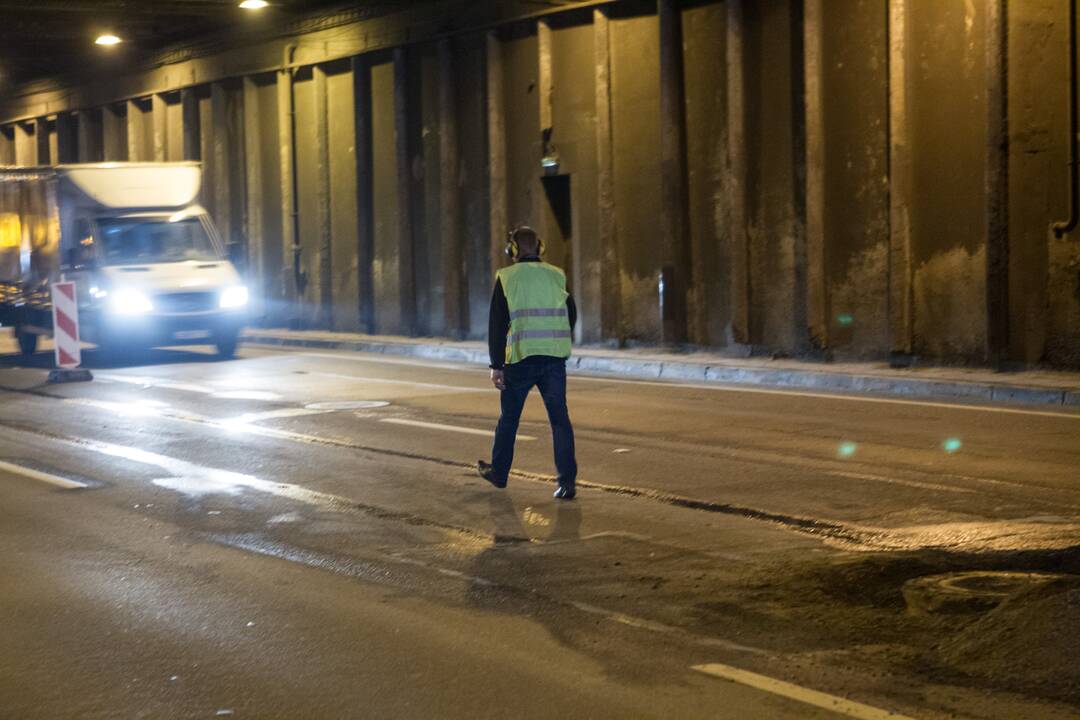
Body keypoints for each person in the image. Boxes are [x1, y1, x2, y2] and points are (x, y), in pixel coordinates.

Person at [478, 225, 578, 500]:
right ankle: (567, 483)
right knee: (560, 421)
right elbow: (571, 314)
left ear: (513, 250)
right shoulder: (556, 275)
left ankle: (499, 473)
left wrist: (496, 365)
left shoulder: (507, 277)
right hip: (554, 360)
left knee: (509, 419)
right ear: (540, 247)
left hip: (520, 360)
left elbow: (497, 324)